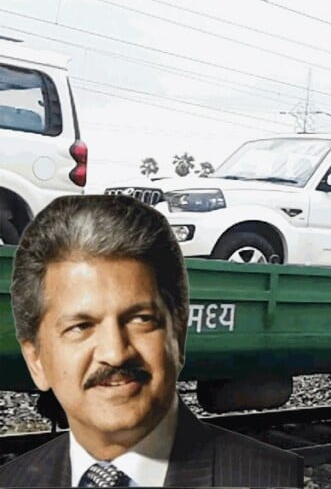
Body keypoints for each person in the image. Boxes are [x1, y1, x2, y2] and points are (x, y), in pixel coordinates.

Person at [0, 194, 303, 487]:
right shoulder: (11, 482)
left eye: (141, 320)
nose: (115, 353)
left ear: (178, 336)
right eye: (81, 326)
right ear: (35, 360)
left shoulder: (268, 478)